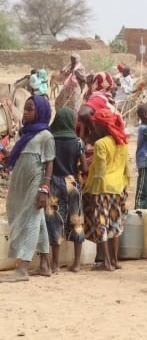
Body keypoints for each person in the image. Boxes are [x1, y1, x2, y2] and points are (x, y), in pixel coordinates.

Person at [0, 96, 54, 283]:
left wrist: (44, 188)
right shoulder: (25, 134)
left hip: (35, 183)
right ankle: (45, 265)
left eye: (30, 109)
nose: (25, 112)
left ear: (40, 111)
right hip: (19, 184)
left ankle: (23, 268)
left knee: (30, 220)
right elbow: (19, 156)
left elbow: (49, 163)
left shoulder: (46, 136)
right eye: (25, 108)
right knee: (37, 221)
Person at [82, 108, 129, 272]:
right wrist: (125, 187)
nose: (94, 127)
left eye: (96, 124)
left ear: (102, 126)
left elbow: (100, 171)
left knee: (101, 224)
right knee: (115, 224)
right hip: (118, 188)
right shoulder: (122, 142)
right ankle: (115, 261)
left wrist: (95, 193)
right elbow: (126, 168)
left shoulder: (101, 144)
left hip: (103, 189)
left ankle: (106, 262)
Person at [45, 107, 87, 273]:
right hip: (73, 183)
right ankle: (76, 263)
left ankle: (55, 263)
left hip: (54, 182)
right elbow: (83, 167)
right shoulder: (78, 143)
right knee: (77, 220)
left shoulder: (50, 141)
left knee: (55, 220)